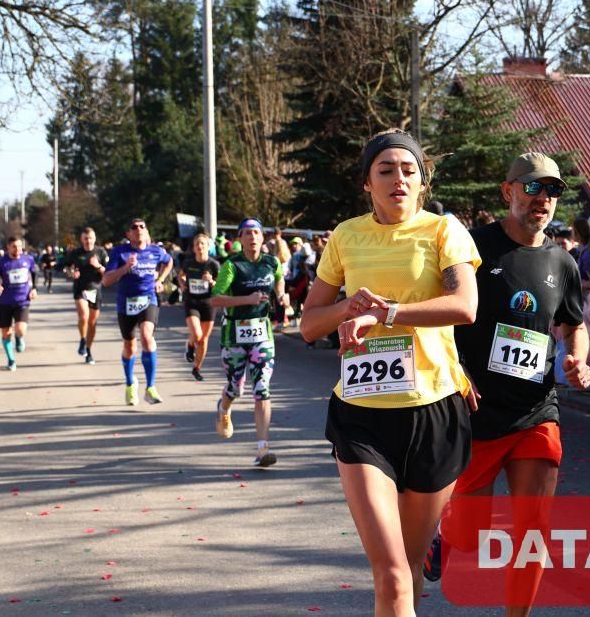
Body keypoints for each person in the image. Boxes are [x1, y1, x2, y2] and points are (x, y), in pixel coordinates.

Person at [300, 128, 480, 614]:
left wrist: (388, 313)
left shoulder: (443, 231)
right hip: (362, 414)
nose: (398, 178)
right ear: (367, 182)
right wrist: (347, 308)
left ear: (422, 182)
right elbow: (309, 325)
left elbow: (465, 306)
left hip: (433, 411)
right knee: (393, 575)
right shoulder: (347, 236)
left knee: (412, 565)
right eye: (385, 170)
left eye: (408, 170)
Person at [430, 153, 590, 613]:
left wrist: (579, 360)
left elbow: (574, 325)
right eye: (533, 187)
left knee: (533, 531)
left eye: (552, 190)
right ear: (508, 191)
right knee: (470, 534)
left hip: (536, 411)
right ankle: (442, 535)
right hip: (476, 413)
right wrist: (455, 369)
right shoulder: (472, 247)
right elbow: (439, 315)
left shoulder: (562, 261)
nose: (543, 198)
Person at [210, 218, 288, 466]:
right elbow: (215, 299)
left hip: (262, 334)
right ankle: (224, 408)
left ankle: (263, 449)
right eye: (247, 233)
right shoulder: (232, 265)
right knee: (236, 387)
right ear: (240, 239)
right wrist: (248, 299)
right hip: (234, 334)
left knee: (262, 388)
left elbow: (279, 279)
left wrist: (281, 295)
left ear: (262, 237)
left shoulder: (271, 262)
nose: (252, 237)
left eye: (256, 232)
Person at [102, 218, 173, 406]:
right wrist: (125, 268)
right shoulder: (120, 252)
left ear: (147, 231)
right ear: (128, 233)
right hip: (126, 303)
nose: (139, 229)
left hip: (148, 300)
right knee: (130, 347)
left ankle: (150, 387)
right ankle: (130, 383)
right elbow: (106, 280)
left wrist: (161, 280)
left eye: (142, 226)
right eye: (134, 227)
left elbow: (169, 262)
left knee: (147, 337)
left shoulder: (156, 251)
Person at [0, 236, 38, 372]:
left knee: (20, 329)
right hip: (5, 301)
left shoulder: (28, 259)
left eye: (19, 246)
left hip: (22, 300)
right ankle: (11, 360)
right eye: (14, 247)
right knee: (5, 333)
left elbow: (34, 274)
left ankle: (18, 337)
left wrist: (34, 289)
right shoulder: (1, 262)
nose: (18, 249)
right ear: (8, 247)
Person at [179, 232, 220, 381]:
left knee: (203, 339)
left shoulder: (214, 265)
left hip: (208, 303)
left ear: (208, 247)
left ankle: (197, 368)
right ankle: (190, 345)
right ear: (194, 248)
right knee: (197, 334)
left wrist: (212, 281)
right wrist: (182, 284)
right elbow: (180, 275)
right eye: (197, 244)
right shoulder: (188, 263)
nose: (200, 246)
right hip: (192, 301)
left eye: (203, 243)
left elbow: (220, 285)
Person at [66, 227, 109, 365]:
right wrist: (71, 273)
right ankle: (83, 340)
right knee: (84, 316)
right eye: (85, 238)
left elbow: (109, 272)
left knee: (92, 323)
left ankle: (88, 351)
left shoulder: (100, 252)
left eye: (90, 238)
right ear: (81, 239)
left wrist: (98, 265)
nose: (88, 241)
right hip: (80, 288)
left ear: (94, 239)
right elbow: (67, 267)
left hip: (95, 289)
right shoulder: (75, 253)